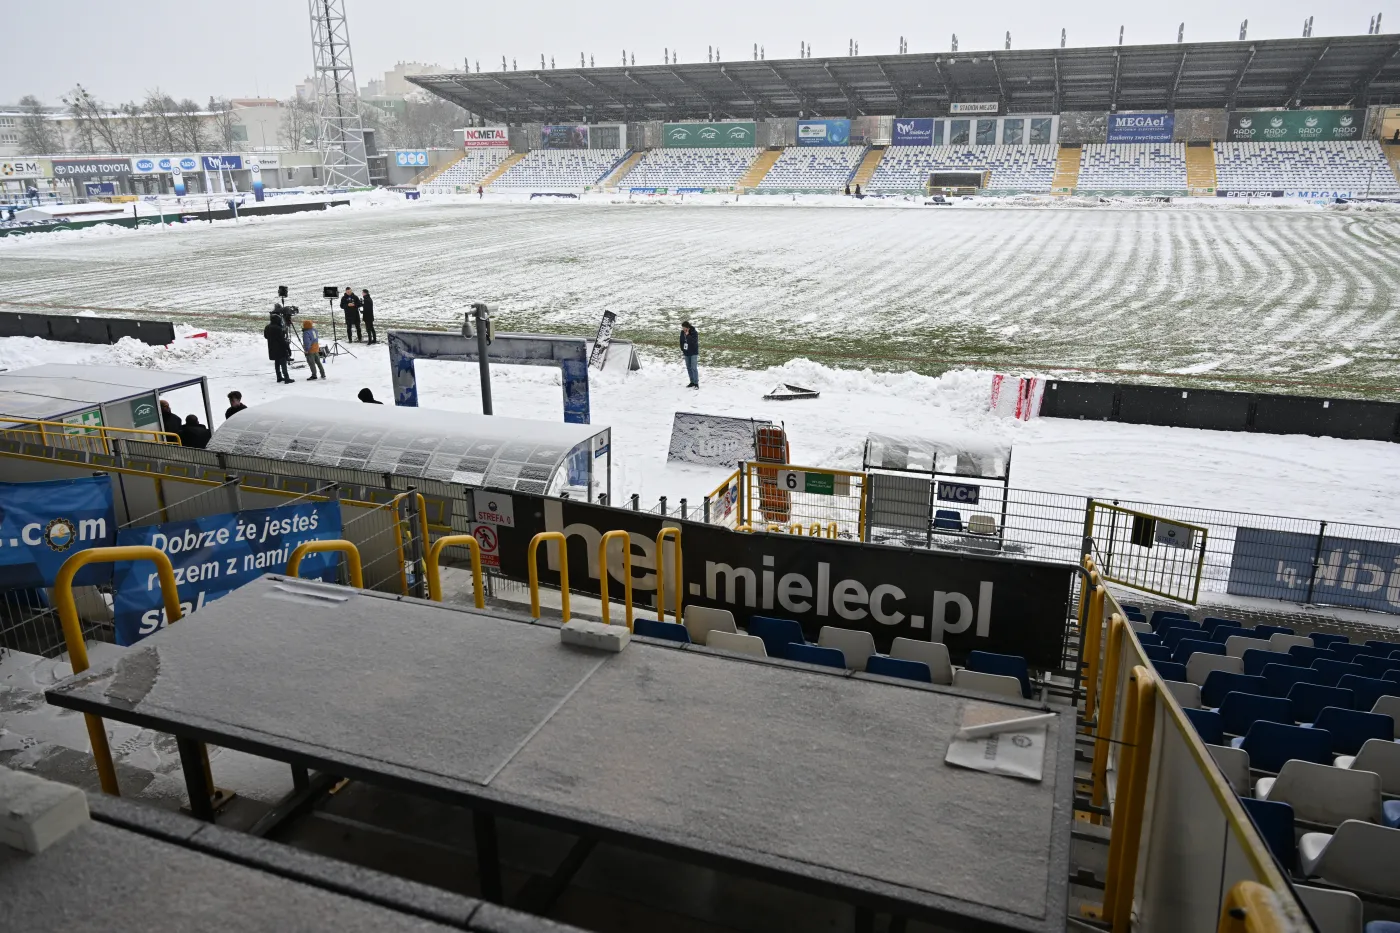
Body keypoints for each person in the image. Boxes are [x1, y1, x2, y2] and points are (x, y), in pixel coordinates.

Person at [264, 311, 292, 383]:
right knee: (283, 363)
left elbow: (266, 336)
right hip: (280, 349)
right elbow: (282, 340)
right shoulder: (278, 328)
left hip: (272, 348)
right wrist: (288, 348)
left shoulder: (267, 327)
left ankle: (279, 377)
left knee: (277, 363)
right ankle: (286, 378)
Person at [679, 321, 700, 389]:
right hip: (686, 352)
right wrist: (683, 349)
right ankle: (692, 382)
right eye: (682, 328)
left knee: (693, 368)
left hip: (693, 352)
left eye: (684, 328)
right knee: (689, 368)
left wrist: (688, 335)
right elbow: (681, 341)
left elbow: (694, 342)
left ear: (688, 328)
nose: (683, 329)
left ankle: (696, 383)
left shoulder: (694, 332)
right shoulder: (682, 332)